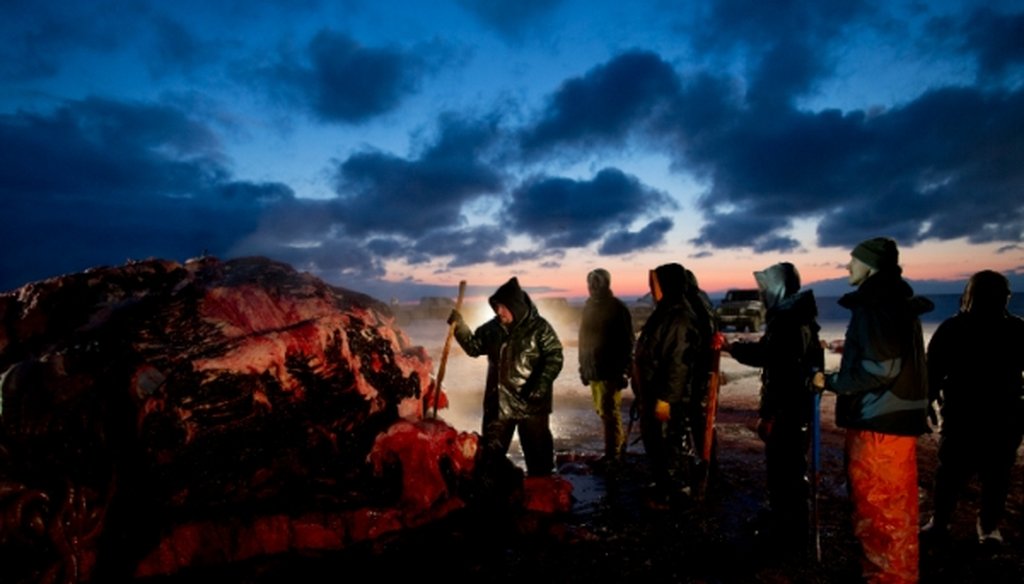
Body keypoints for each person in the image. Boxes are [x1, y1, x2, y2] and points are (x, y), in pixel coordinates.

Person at [812, 237, 933, 584]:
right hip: (894, 421)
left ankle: (890, 578)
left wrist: (830, 381)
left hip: (879, 424)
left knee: (882, 512)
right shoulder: (894, 302)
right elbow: (886, 352)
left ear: (871, 265)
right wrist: (846, 346)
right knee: (894, 509)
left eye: (854, 261)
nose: (848, 267)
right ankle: (893, 574)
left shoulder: (875, 304)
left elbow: (880, 369)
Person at [921, 270, 1024, 545]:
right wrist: (927, 402)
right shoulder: (953, 329)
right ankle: (942, 522)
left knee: (995, 476)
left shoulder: (1016, 330)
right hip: (963, 415)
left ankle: (986, 526)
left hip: (1003, 416)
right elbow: (933, 371)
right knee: (952, 474)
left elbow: (932, 372)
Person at [725, 262, 823, 547]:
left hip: (789, 409)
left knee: (787, 471)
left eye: (765, 288)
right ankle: (782, 519)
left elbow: (774, 361)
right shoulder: (797, 315)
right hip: (795, 406)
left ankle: (789, 532)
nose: (762, 293)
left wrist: (733, 348)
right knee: (784, 469)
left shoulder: (789, 319)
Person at [448, 277, 564, 480]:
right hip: (499, 405)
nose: (499, 312)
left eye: (503, 307)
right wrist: (460, 327)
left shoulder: (540, 328)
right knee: (489, 461)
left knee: (540, 462)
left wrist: (541, 384)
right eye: (497, 307)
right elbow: (474, 347)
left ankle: (544, 500)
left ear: (516, 307)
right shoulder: (492, 328)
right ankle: (491, 501)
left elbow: (554, 356)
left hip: (532, 405)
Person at [632, 263, 703, 506]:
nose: (652, 289)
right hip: (654, 392)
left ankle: (673, 494)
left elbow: (678, 362)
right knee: (656, 444)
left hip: (668, 398)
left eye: (655, 283)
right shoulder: (665, 311)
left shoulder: (679, 317)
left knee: (669, 445)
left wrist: (666, 398)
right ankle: (663, 485)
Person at [578, 268, 634, 466]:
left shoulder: (617, 308)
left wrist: (624, 370)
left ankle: (614, 454)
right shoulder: (589, 308)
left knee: (610, 412)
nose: (593, 288)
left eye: (597, 283)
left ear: (606, 284)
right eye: (590, 283)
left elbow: (627, 342)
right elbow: (583, 340)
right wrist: (583, 368)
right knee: (602, 411)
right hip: (594, 370)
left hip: (611, 370)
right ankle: (615, 448)